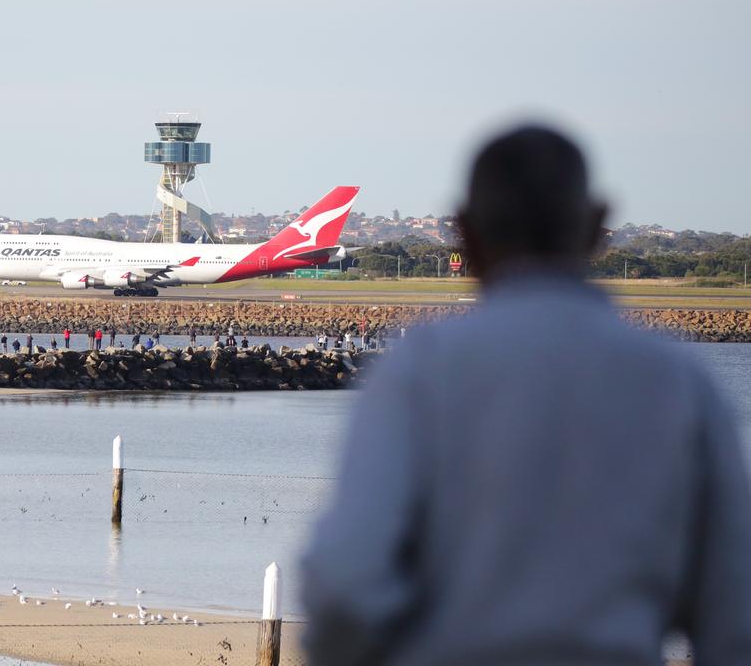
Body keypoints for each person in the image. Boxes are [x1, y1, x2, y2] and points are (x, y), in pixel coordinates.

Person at [301, 124, 751, 665]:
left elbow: (348, 580)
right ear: (597, 227)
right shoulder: (678, 379)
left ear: (464, 231)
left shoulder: (419, 371)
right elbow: (732, 609)